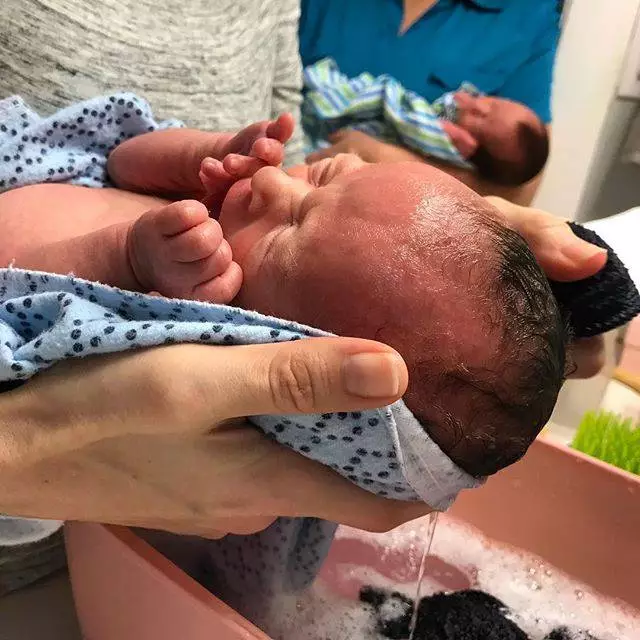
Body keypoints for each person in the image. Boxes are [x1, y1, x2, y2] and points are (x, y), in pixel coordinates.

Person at [1, 95, 567, 479]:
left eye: (283, 238)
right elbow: (118, 159)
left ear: (261, 338)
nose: (272, 181)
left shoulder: (165, 341)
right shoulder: (214, 215)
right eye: (323, 175)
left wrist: (124, 259)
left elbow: (17, 300)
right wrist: (202, 153)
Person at [299, 0, 561, 204]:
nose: (478, 104)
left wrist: (389, 160)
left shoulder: (527, 15)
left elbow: (518, 192)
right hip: (286, 161)